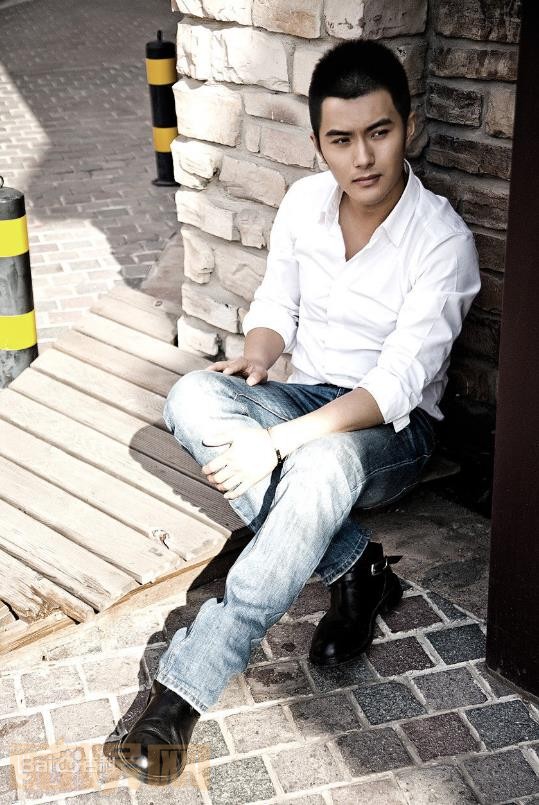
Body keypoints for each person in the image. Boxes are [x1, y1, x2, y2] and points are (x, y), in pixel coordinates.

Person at [112, 38, 481, 785]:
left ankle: (184, 688)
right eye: (341, 140)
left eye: (379, 132)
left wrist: (272, 442)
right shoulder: (305, 204)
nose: (362, 158)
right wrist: (255, 358)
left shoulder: (442, 240)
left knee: (316, 462)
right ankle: (355, 564)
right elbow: (277, 305)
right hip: (306, 396)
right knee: (191, 395)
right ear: (319, 143)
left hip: (392, 430)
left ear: (407, 127)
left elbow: (394, 386)